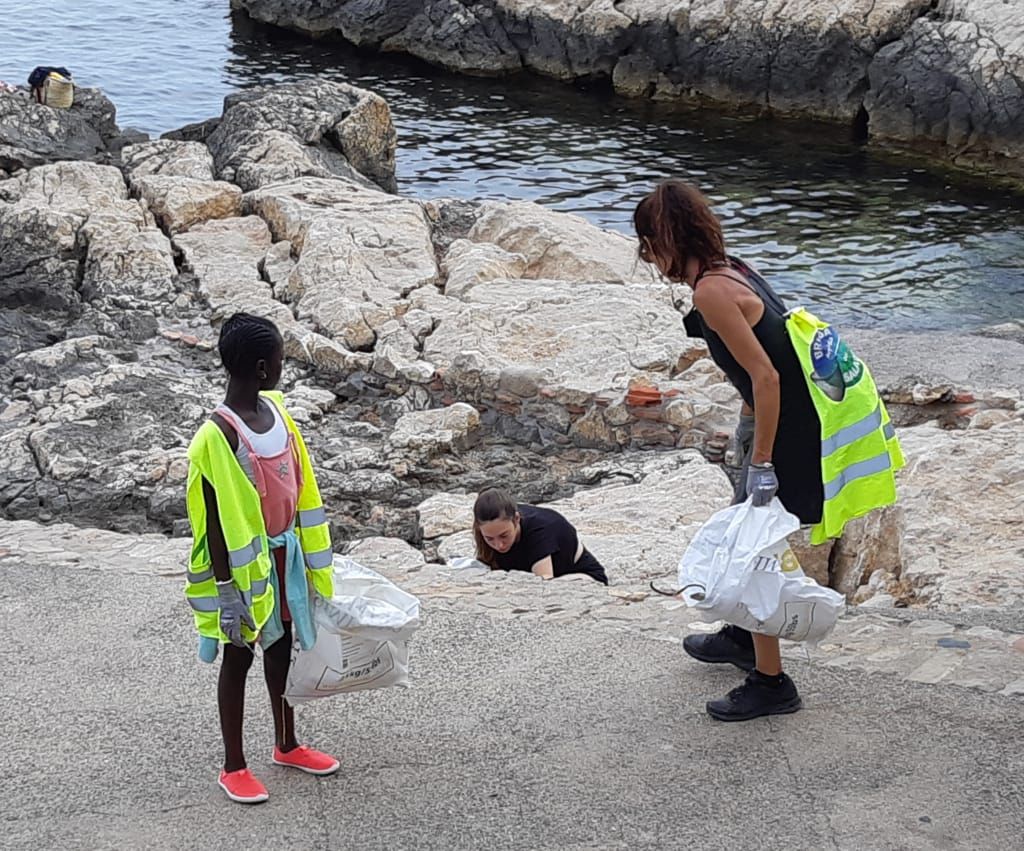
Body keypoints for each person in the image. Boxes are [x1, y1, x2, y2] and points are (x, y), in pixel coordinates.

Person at [634, 179, 901, 722]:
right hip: (776, 424)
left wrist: (761, 462)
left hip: (791, 435)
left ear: (667, 237)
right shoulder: (730, 268)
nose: (644, 254)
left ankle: (772, 683)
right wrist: (748, 428)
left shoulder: (710, 292)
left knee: (755, 552)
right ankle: (740, 636)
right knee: (746, 539)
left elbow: (767, 376)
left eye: (646, 241)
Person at [184, 313, 339, 803]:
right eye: (278, 360)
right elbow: (211, 517)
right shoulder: (218, 435)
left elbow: (296, 479)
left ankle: (287, 744)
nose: (282, 367)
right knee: (238, 658)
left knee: (280, 650)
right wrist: (227, 591)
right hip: (245, 574)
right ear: (260, 368)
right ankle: (233, 766)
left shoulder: (277, 412)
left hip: (283, 561)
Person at [473, 487, 609, 585]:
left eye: (504, 536)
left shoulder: (541, 530)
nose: (498, 545)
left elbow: (543, 585)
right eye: (489, 539)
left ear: (516, 519)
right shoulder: (487, 525)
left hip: (582, 576)